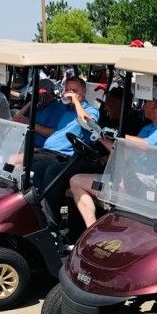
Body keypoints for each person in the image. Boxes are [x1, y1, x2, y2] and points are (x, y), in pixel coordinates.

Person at [69, 86, 157, 229]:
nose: (142, 106)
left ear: (154, 104)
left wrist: (112, 135)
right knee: (76, 181)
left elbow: (145, 146)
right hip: (129, 181)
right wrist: (99, 134)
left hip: (148, 188)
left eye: (145, 102)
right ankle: (91, 230)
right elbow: (123, 151)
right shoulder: (147, 129)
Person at [28, 77, 100, 220]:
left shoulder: (90, 110)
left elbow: (89, 124)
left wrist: (76, 102)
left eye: (75, 90)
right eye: (67, 90)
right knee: (35, 167)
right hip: (48, 150)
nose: (70, 93)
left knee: (51, 171)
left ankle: (54, 219)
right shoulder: (65, 111)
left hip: (67, 156)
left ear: (83, 92)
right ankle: (39, 212)